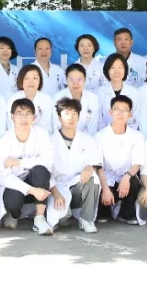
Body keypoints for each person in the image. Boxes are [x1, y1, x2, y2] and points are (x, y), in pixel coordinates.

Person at [0, 98, 56, 235]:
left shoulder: (41, 134)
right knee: (13, 202)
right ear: (12, 117)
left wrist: (19, 162)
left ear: (34, 118)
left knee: (40, 170)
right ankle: (15, 215)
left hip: (36, 180)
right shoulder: (3, 141)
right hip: (14, 184)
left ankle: (39, 218)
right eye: (19, 114)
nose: (24, 118)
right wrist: (32, 190)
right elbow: (4, 177)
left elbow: (48, 161)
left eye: (28, 114)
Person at [49, 98, 104, 233]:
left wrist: (90, 167)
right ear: (59, 117)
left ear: (79, 117)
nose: (71, 117)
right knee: (61, 219)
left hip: (78, 185)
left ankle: (86, 219)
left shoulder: (88, 140)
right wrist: (56, 194)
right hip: (58, 187)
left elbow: (95, 161)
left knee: (93, 178)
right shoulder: (49, 141)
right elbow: (46, 173)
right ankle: (66, 213)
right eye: (67, 113)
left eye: (74, 113)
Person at [94, 95, 145, 225]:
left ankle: (125, 214)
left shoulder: (137, 136)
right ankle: (104, 211)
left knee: (134, 181)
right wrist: (105, 189)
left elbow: (137, 163)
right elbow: (98, 166)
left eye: (125, 110)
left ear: (130, 114)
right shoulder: (100, 136)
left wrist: (126, 177)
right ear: (110, 112)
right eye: (117, 109)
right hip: (107, 178)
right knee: (101, 189)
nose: (120, 113)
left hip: (126, 177)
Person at [97, 53, 142, 130]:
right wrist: (107, 133)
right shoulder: (99, 92)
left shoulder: (134, 92)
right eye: (112, 67)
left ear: (125, 70)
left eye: (120, 67)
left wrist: (126, 133)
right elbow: (98, 119)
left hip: (129, 134)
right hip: (105, 134)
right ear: (107, 70)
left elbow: (135, 118)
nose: (116, 71)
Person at [53, 64, 101, 136]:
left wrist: (85, 140)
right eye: (71, 79)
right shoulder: (58, 97)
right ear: (66, 80)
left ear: (85, 80)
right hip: (63, 138)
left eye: (79, 79)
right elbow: (57, 125)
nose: (75, 83)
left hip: (86, 138)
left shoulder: (92, 98)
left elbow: (92, 126)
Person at [7, 65, 56, 132]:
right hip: (18, 135)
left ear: (39, 81)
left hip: (40, 136)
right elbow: (11, 123)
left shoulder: (47, 99)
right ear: (21, 80)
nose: (31, 82)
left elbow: (46, 125)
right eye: (27, 78)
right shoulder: (13, 99)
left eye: (35, 78)